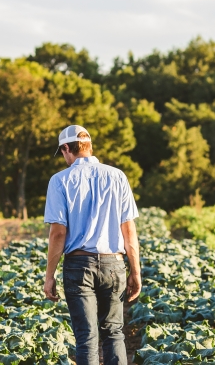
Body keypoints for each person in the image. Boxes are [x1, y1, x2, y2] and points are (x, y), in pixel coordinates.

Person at [43, 125, 141, 365]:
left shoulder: (59, 181)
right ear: (88, 145)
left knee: (86, 337)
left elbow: (58, 234)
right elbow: (129, 231)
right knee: (114, 332)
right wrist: (136, 272)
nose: (64, 157)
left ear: (67, 148)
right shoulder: (117, 176)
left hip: (78, 265)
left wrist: (49, 275)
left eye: (63, 152)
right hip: (114, 264)